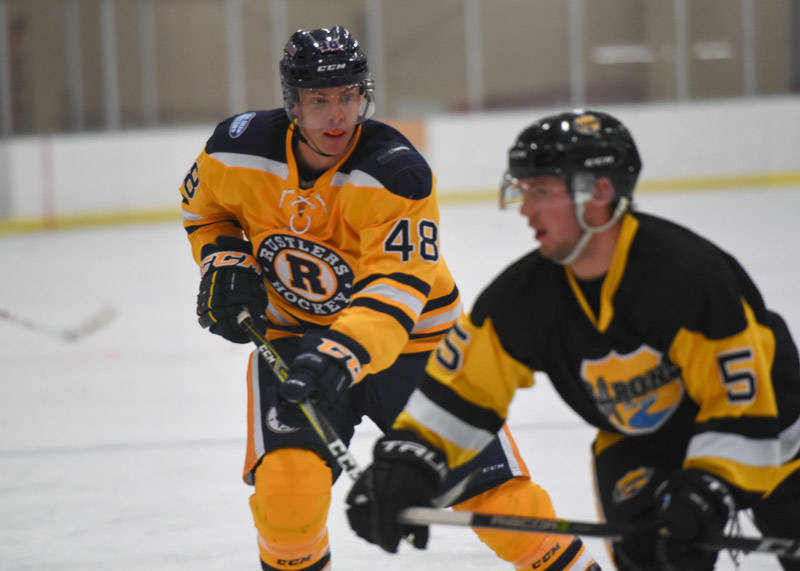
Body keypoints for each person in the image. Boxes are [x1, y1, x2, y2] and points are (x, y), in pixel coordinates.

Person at [180, 26, 599, 571]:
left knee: (493, 497)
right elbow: (207, 213)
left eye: (348, 98)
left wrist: (338, 355)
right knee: (287, 493)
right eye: (320, 100)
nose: (337, 116)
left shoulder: (395, 172)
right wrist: (224, 258)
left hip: (420, 344)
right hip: (293, 336)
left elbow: (396, 288)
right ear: (293, 104)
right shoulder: (235, 149)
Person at [346, 109, 800, 571]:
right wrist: (405, 463)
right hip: (640, 440)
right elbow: (461, 392)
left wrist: (707, 494)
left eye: (541, 191)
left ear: (600, 192)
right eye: (523, 191)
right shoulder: (522, 298)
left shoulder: (689, 279)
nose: (524, 209)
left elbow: (743, 410)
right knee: (653, 559)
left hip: (774, 431)